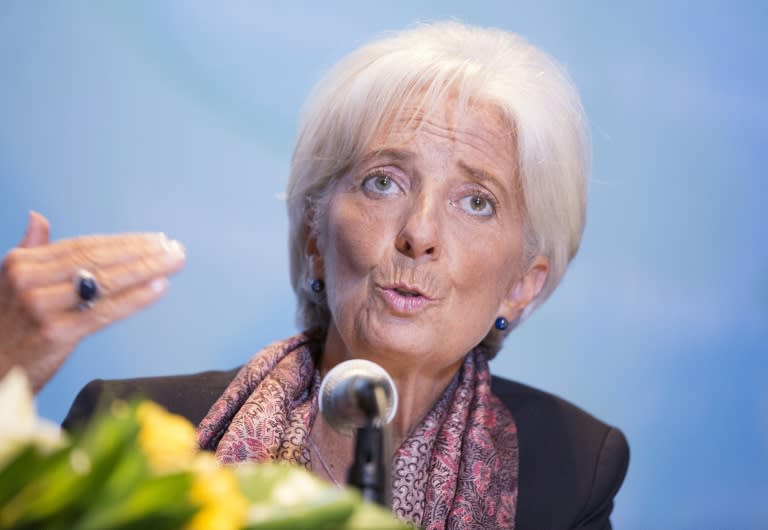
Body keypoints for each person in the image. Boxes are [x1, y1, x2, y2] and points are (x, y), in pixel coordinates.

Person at [0, 22, 628, 529]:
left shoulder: (572, 469)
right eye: (384, 182)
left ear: (524, 284)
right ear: (314, 236)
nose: (420, 233)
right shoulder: (131, 424)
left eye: (476, 201)